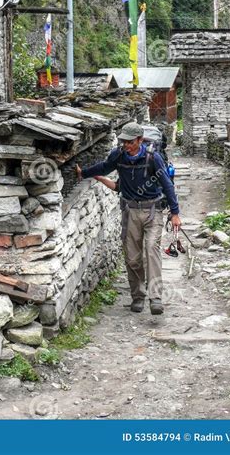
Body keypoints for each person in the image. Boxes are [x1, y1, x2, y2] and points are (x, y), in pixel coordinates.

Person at [76, 122, 181, 315]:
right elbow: (105, 167)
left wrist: (175, 213)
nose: (126, 145)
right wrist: (84, 173)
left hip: (153, 211)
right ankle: (138, 296)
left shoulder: (153, 158)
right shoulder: (118, 156)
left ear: (140, 141)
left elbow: (167, 185)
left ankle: (155, 297)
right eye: (124, 141)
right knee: (132, 257)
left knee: (151, 250)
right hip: (130, 211)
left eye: (130, 142)